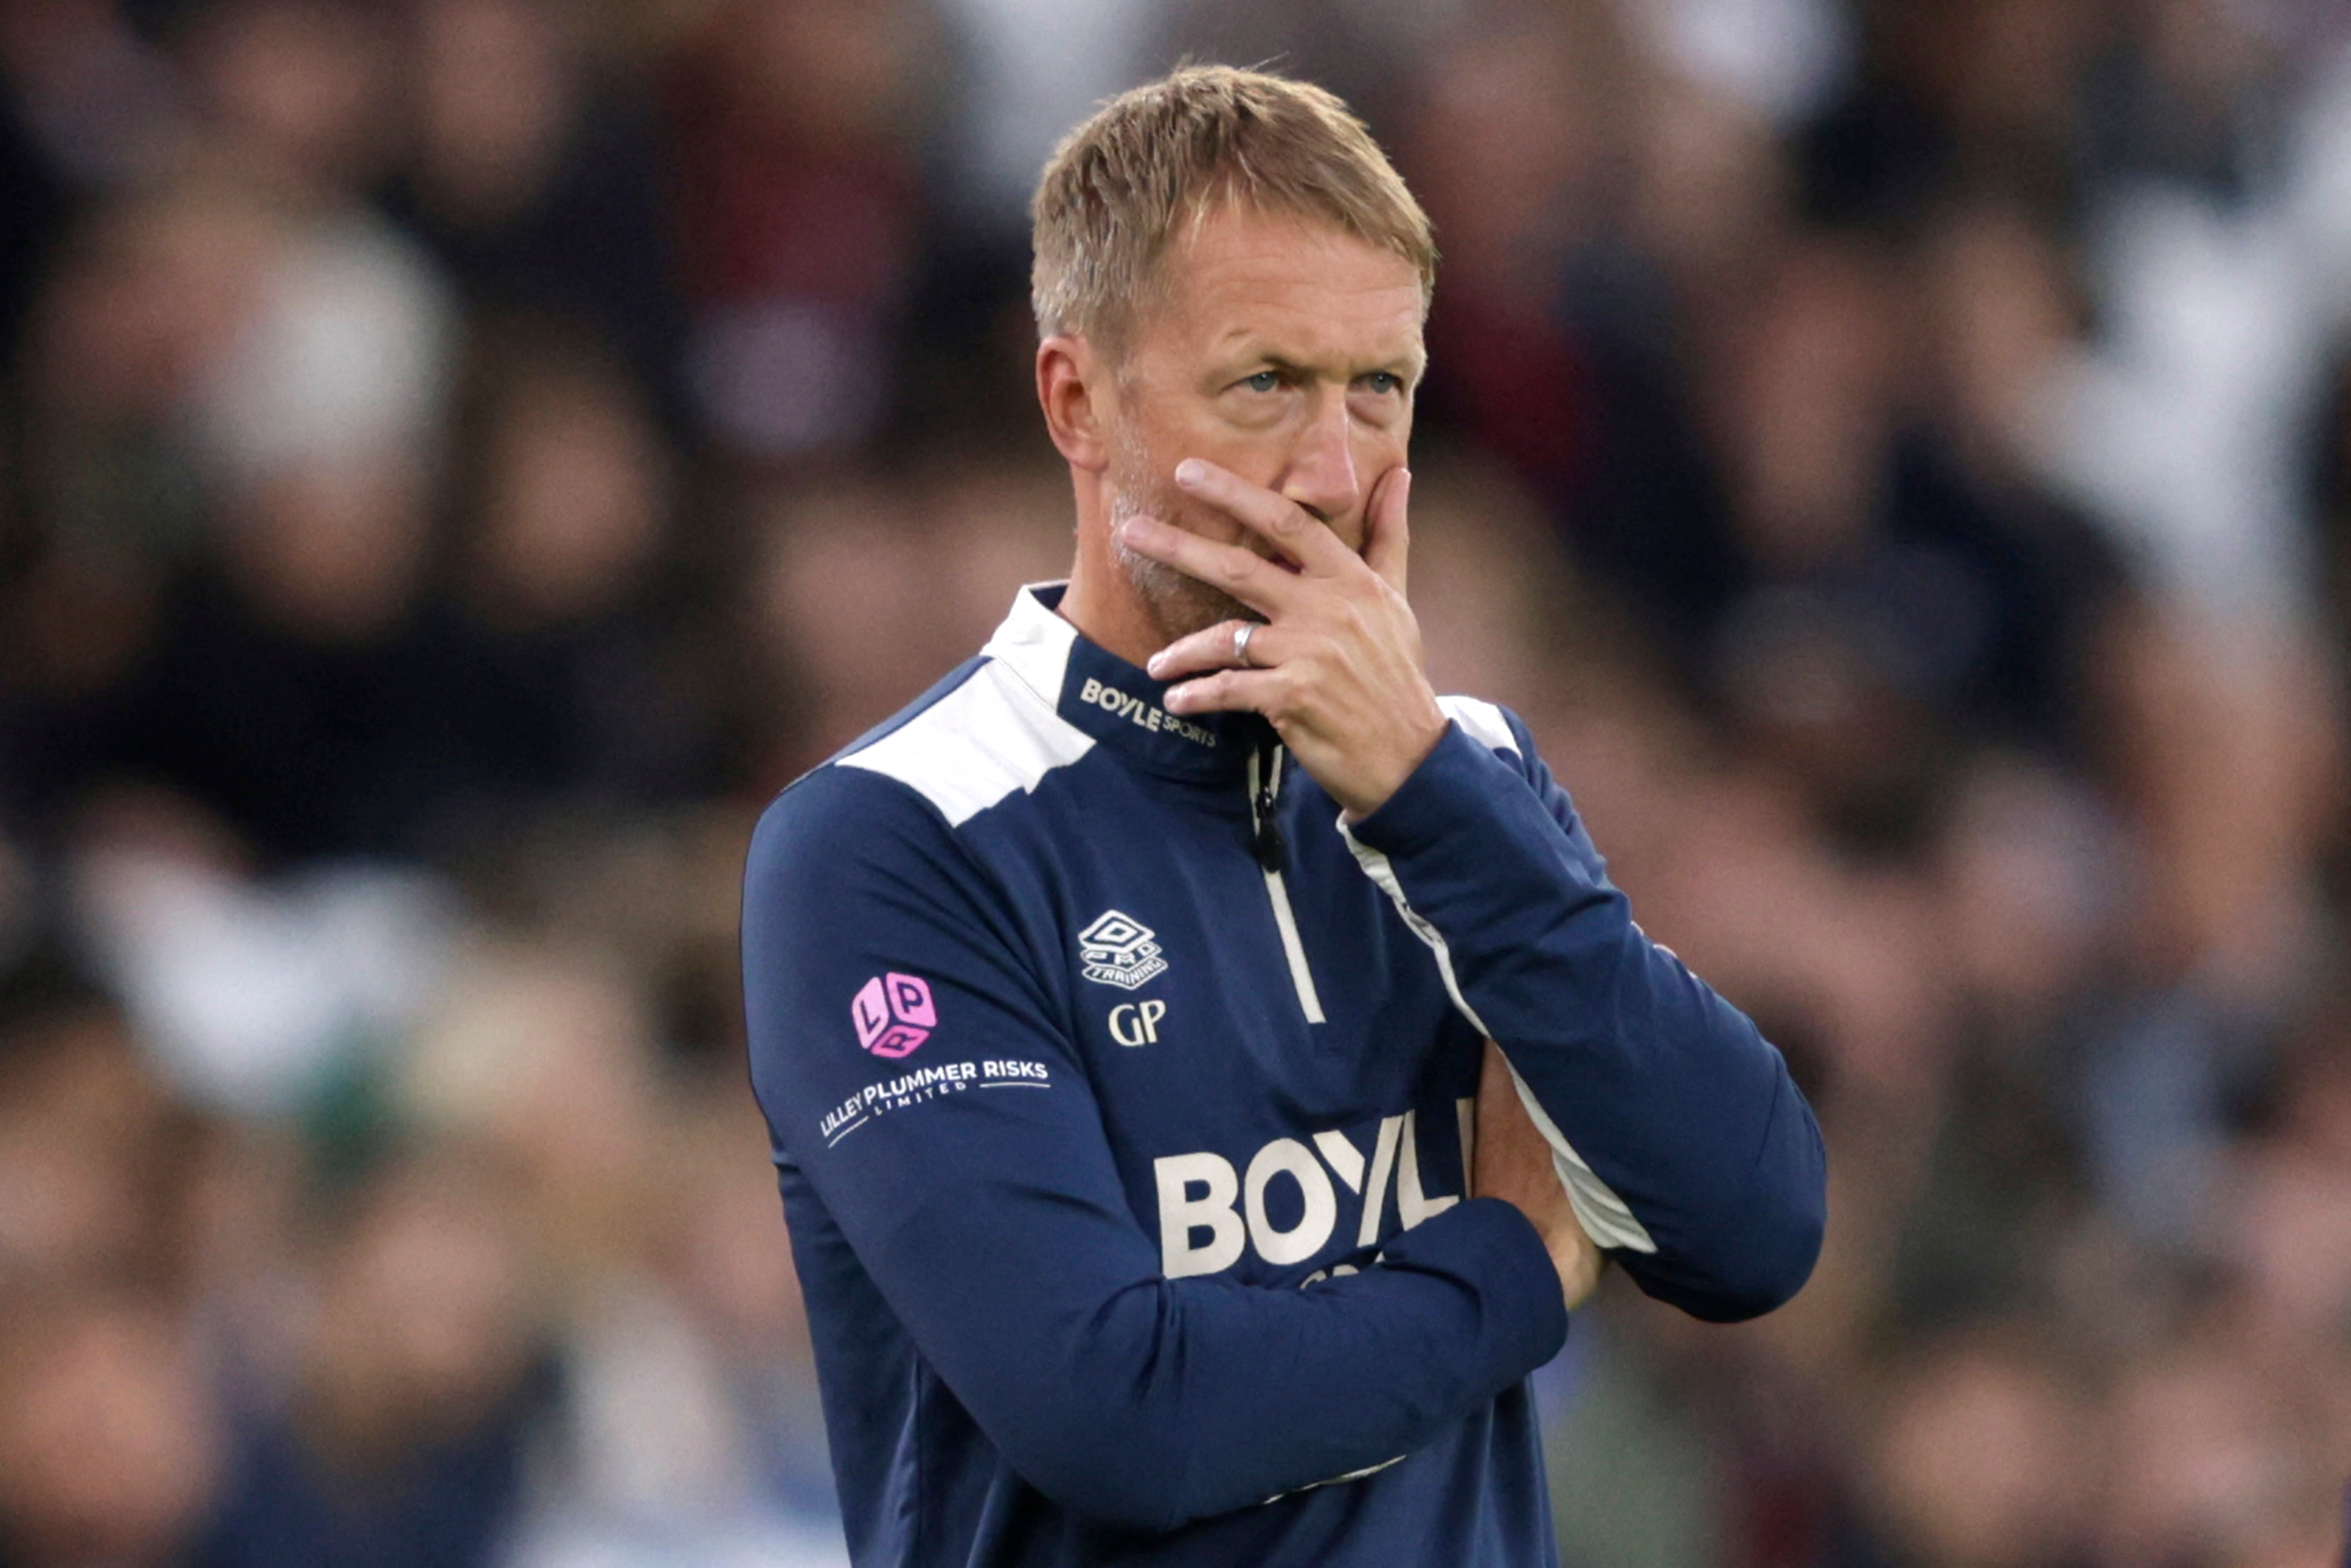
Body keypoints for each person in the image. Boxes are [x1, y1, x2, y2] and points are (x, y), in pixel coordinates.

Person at [740, 65, 1826, 1567]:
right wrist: (1510, 1262)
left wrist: (1429, 795)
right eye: (1265, 385)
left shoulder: (1467, 784)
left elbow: (1755, 1224)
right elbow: (1126, 1415)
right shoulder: (893, 839)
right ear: (1081, 398)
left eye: (1378, 388)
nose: (1331, 471)